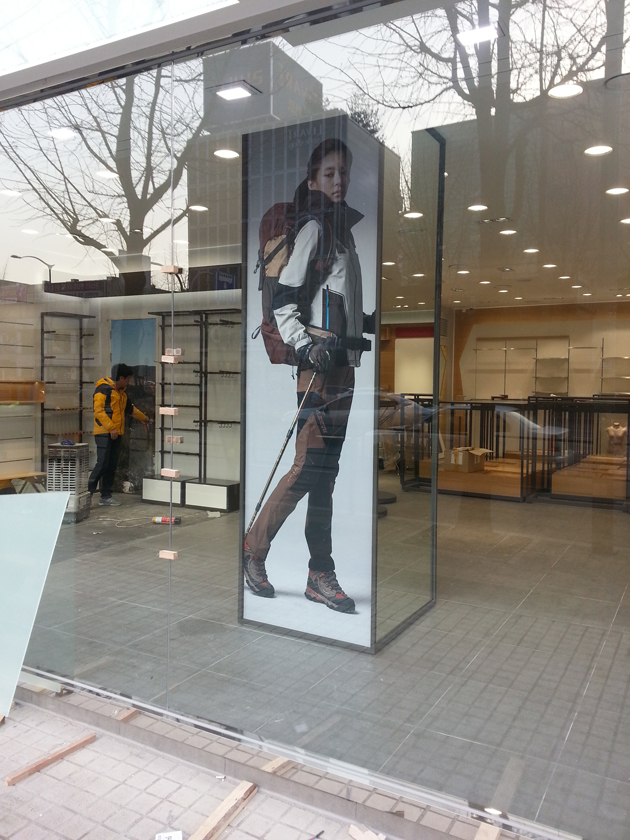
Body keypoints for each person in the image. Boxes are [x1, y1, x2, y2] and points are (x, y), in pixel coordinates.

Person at [244, 137, 375, 613]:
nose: (339, 180)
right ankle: (253, 548)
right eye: (329, 173)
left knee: (325, 476)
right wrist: (305, 346)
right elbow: (284, 299)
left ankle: (320, 573)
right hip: (318, 373)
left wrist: (365, 324)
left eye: (344, 172)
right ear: (313, 179)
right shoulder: (317, 227)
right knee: (307, 469)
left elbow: (334, 301)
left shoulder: (343, 233)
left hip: (342, 371)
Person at [88, 363, 149, 506]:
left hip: (116, 433)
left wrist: (145, 419)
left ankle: (106, 496)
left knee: (111, 465)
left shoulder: (122, 394)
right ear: (121, 378)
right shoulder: (103, 389)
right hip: (104, 432)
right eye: (128, 379)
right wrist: (111, 428)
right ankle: (87, 494)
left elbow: (131, 410)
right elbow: (98, 411)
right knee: (102, 464)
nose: (129, 382)